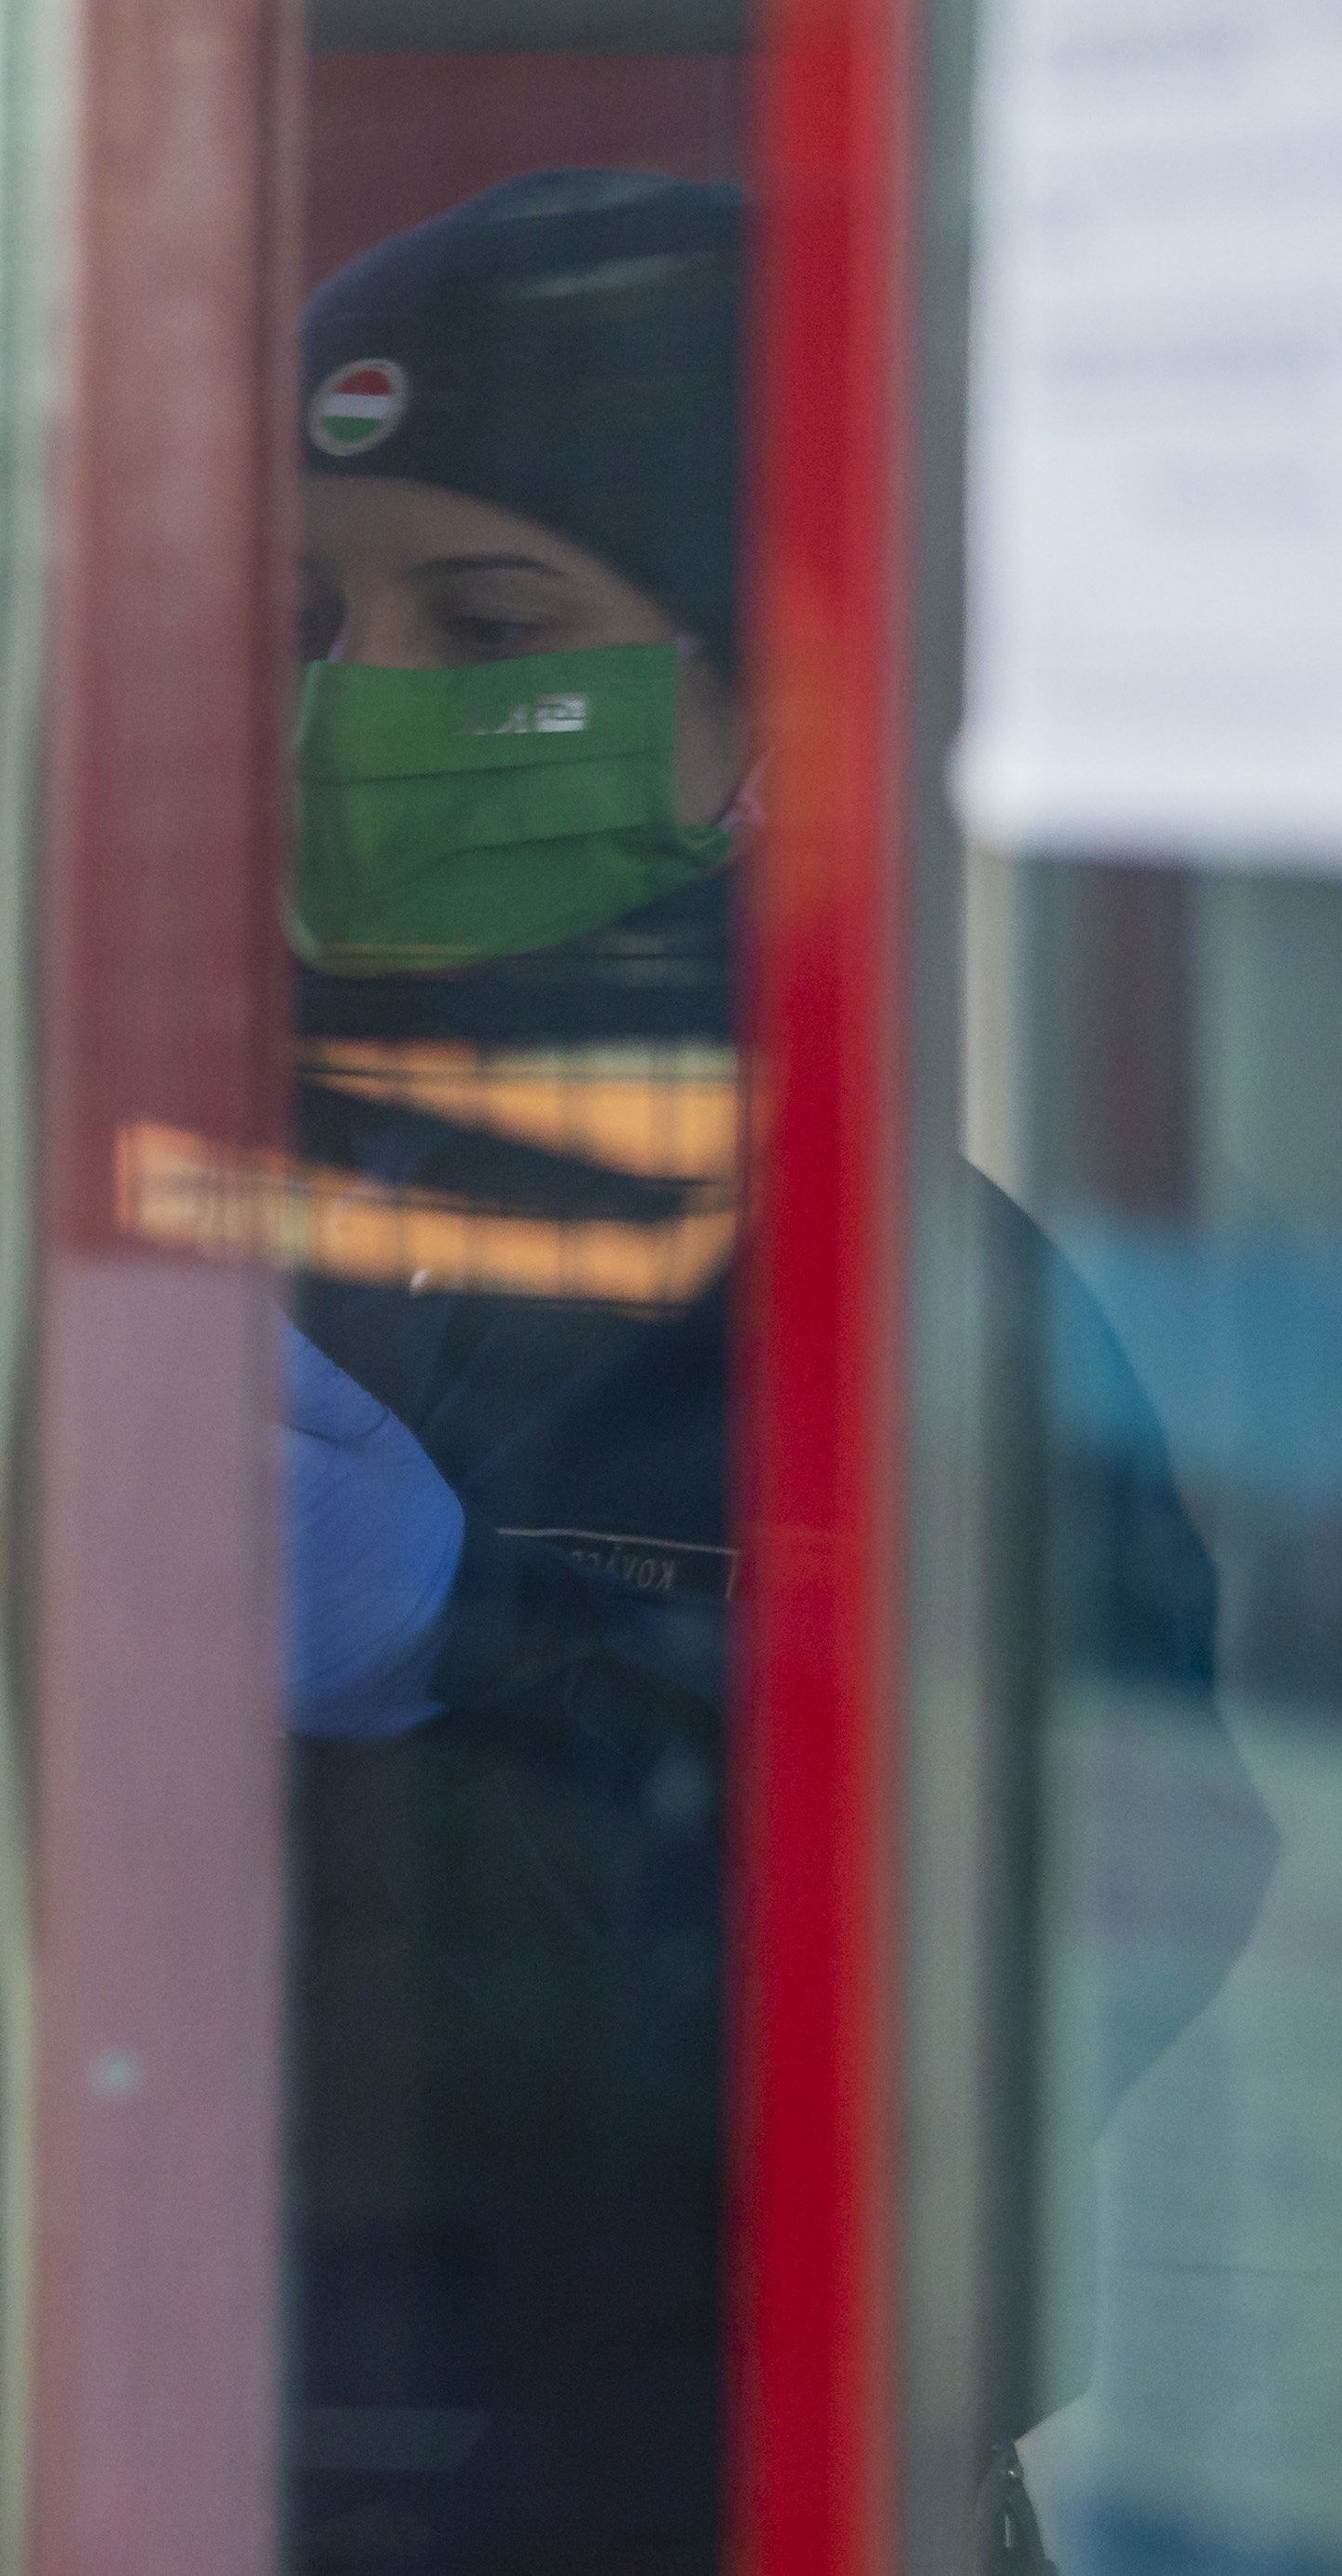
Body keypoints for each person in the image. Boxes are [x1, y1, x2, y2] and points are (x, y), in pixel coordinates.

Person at [265, 171, 1269, 2575]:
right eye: (313, 612)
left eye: (484, 618)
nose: (358, 701)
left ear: (775, 696)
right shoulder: (180, 1199)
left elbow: (962, 2037)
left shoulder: (896, 1308)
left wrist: (459, 1662)